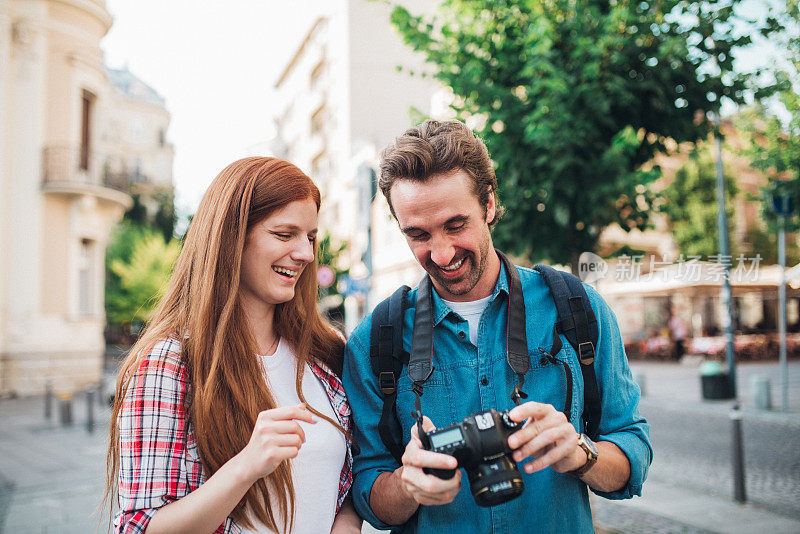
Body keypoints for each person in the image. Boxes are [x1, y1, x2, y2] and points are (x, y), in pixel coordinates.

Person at [342, 120, 652, 533]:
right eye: (417, 234)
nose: (441, 252)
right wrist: (406, 485)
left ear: (488, 203)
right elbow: (368, 491)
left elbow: (632, 450)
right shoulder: (374, 340)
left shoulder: (577, 310)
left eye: (456, 225)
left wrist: (580, 453)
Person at [104, 157, 362, 534]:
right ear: (232, 236)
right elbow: (140, 527)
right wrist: (246, 466)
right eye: (284, 234)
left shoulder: (324, 351)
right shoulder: (169, 363)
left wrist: (348, 524)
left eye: (310, 237)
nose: (306, 253)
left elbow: (349, 481)